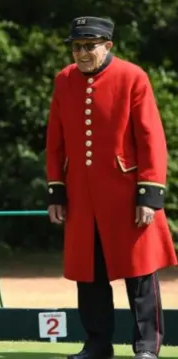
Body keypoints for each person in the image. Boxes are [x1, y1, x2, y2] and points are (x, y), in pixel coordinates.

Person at [45, 16, 178, 359]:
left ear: (108, 46)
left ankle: (147, 347)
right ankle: (98, 344)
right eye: (77, 46)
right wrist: (56, 190)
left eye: (90, 46)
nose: (82, 53)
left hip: (125, 195)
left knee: (139, 274)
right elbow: (55, 140)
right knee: (89, 277)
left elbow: (151, 137)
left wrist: (148, 193)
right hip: (81, 197)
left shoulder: (133, 77)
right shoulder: (64, 80)